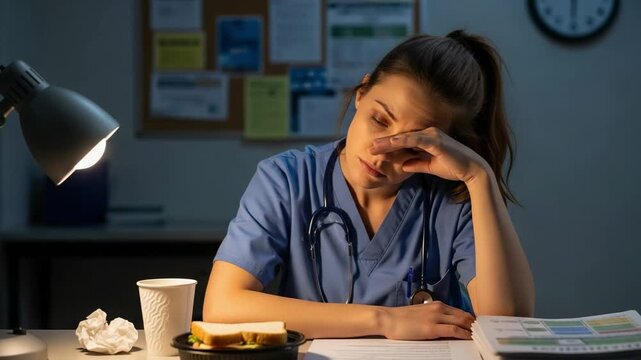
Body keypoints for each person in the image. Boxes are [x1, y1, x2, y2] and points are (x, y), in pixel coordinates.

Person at [203, 30, 535, 340]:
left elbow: (505, 322)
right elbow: (222, 307)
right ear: (362, 93)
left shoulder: (451, 197)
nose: (381, 154)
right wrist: (384, 320)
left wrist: (480, 177)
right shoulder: (286, 179)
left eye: (412, 145)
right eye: (379, 120)